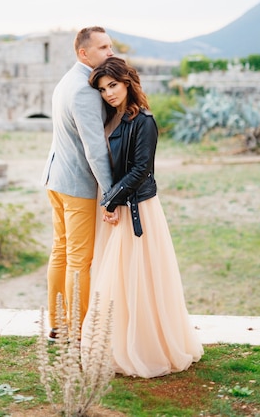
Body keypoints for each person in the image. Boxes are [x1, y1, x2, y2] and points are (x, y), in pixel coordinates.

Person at [81, 56, 204, 378]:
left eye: (113, 85)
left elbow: (140, 169)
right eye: (103, 88)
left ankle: (149, 347)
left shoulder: (143, 120)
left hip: (137, 208)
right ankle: (119, 342)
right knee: (118, 280)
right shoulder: (114, 117)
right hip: (118, 205)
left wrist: (110, 202)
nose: (108, 93)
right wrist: (109, 202)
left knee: (141, 280)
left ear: (127, 82)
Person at [42, 26, 114, 340]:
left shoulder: (66, 80)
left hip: (55, 178)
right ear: (83, 53)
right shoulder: (84, 89)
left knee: (61, 251)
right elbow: (94, 147)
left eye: (110, 46)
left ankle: (59, 324)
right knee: (79, 259)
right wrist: (111, 192)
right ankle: (77, 329)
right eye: (103, 48)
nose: (110, 53)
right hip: (76, 185)